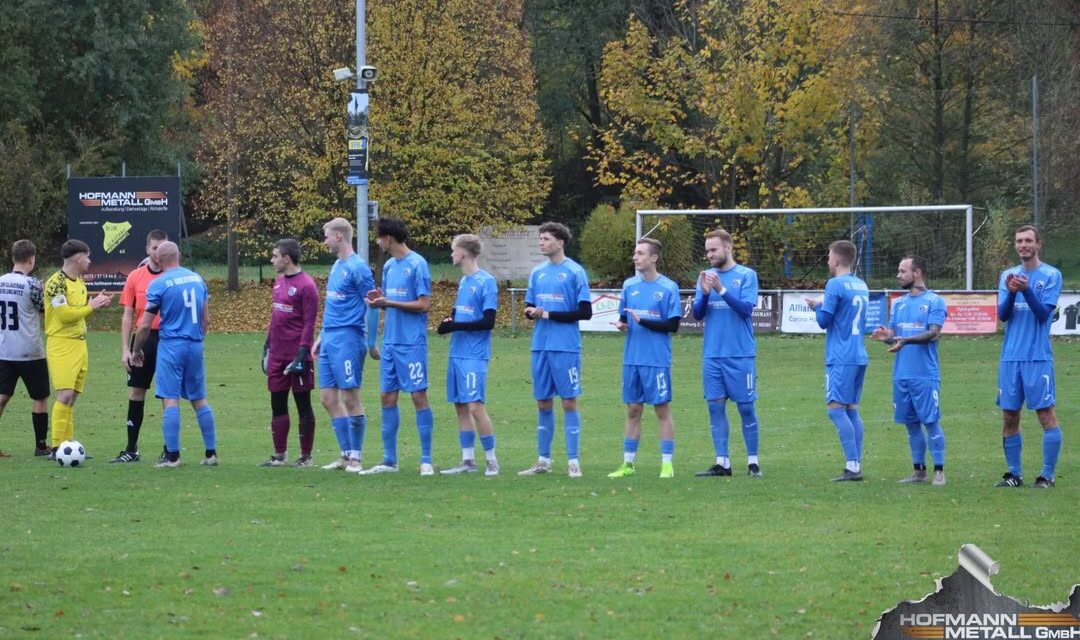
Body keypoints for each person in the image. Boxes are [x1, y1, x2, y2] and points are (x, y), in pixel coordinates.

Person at [131, 241, 217, 468]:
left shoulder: (159, 284)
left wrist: (136, 349)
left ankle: (173, 457)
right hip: (194, 344)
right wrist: (198, 339)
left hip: (171, 345)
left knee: (170, 398)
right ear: (178, 256)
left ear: (158, 260)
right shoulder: (198, 279)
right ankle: (211, 453)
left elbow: (145, 326)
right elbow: (206, 318)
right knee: (199, 398)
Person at [518, 222, 593, 477]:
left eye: (546, 238)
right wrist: (532, 313)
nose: (541, 243)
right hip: (540, 346)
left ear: (560, 242)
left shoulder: (575, 272)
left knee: (569, 402)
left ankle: (573, 461)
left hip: (566, 347)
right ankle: (543, 460)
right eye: (540, 239)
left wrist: (547, 313)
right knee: (542, 402)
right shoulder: (537, 273)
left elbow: (586, 312)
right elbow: (529, 307)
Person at [363, 217, 435, 476]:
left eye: (378, 237)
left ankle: (426, 459)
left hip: (411, 343)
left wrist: (389, 303)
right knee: (387, 397)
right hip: (391, 342)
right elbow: (389, 299)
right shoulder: (390, 266)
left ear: (389, 238)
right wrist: (378, 300)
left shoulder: (417, 264)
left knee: (418, 396)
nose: (377, 241)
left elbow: (424, 304)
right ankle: (389, 460)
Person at [994, 225, 1062, 488]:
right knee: (1010, 416)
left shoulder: (1051, 275)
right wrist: (1012, 292)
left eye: (1028, 241)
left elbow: (1043, 314)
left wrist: (1025, 290)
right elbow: (1003, 316)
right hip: (1010, 358)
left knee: (1046, 414)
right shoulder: (1007, 276)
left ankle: (1046, 475)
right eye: (1019, 241)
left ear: (1038, 244)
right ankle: (1014, 474)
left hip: (1037, 357)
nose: (1023, 245)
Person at [691, 229, 763, 478]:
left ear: (728, 248)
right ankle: (722, 462)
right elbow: (698, 315)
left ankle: (753, 462)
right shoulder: (705, 277)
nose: (709, 254)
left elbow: (745, 310)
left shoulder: (746, 275)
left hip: (740, 355)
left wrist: (721, 290)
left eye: (713, 249)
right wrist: (705, 293)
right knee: (715, 407)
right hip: (712, 355)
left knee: (746, 408)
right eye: (707, 250)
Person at [606, 238, 681, 479]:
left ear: (653, 258)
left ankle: (667, 464)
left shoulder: (669, 288)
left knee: (661, 409)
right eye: (635, 253)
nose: (635, 257)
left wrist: (643, 321)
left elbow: (673, 325)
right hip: (632, 359)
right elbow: (627, 319)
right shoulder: (629, 285)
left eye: (640, 253)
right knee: (633, 410)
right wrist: (622, 325)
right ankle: (628, 464)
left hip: (656, 359)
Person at [871, 256, 948, 486]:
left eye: (902, 271)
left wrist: (905, 340)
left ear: (917, 273)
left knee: (931, 421)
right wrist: (888, 338)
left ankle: (939, 472)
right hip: (901, 374)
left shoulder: (935, 301)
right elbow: (896, 339)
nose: (898, 275)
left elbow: (934, 333)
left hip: (925, 374)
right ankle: (919, 471)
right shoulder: (898, 303)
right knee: (911, 424)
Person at [314, 218, 376, 474]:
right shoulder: (337, 266)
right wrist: (321, 335)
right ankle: (344, 453)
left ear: (339, 236)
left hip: (349, 339)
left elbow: (373, 303)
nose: (324, 240)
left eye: (326, 235)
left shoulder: (358, 267)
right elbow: (334, 305)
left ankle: (357, 457)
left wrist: (372, 342)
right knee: (328, 398)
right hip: (330, 338)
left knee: (351, 398)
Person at [805, 239, 869, 482]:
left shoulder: (834, 284)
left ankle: (852, 467)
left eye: (829, 256)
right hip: (859, 354)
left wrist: (815, 307)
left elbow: (824, 321)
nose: (828, 260)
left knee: (835, 409)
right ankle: (855, 462)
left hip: (841, 356)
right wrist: (822, 305)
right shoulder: (860, 284)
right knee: (851, 409)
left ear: (838, 259)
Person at [437, 234, 500, 476]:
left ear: (463, 252)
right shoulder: (464, 282)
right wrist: (447, 322)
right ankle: (467, 460)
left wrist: (456, 326)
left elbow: (488, 321)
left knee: (475, 406)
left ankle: (492, 460)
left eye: (454, 250)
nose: (451, 254)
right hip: (457, 353)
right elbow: (458, 315)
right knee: (461, 406)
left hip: (474, 354)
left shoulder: (486, 282)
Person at [43, 240, 112, 456]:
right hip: (61, 343)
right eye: (88, 257)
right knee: (64, 395)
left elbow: (79, 312)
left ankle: (68, 446)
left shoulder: (80, 284)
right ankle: (56, 446)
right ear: (78, 258)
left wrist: (96, 303)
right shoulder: (56, 283)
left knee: (72, 398)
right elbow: (64, 316)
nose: (90, 261)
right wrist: (90, 307)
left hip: (80, 344)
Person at [260, 238, 320, 467]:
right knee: (277, 403)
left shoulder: (307, 286)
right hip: (277, 353)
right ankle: (280, 455)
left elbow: (309, 323)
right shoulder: (278, 282)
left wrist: (302, 353)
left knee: (303, 404)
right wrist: (267, 345)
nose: (272, 259)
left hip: (298, 354)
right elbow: (276, 317)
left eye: (275, 256)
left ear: (287, 258)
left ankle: (306, 456)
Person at [112, 229, 168, 463]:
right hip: (142, 341)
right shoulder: (135, 277)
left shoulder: (173, 276)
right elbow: (127, 316)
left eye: (162, 248)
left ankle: (169, 449)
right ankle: (131, 449)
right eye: (154, 248)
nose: (158, 253)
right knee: (136, 392)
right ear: (147, 249)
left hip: (168, 340)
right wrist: (126, 349)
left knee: (168, 395)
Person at [0, 240, 50, 457]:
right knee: (39, 398)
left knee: (2, 397)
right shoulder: (33, 285)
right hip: (30, 350)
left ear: (13, 258)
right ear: (31, 259)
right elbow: (44, 310)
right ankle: (41, 446)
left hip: (4, 349)